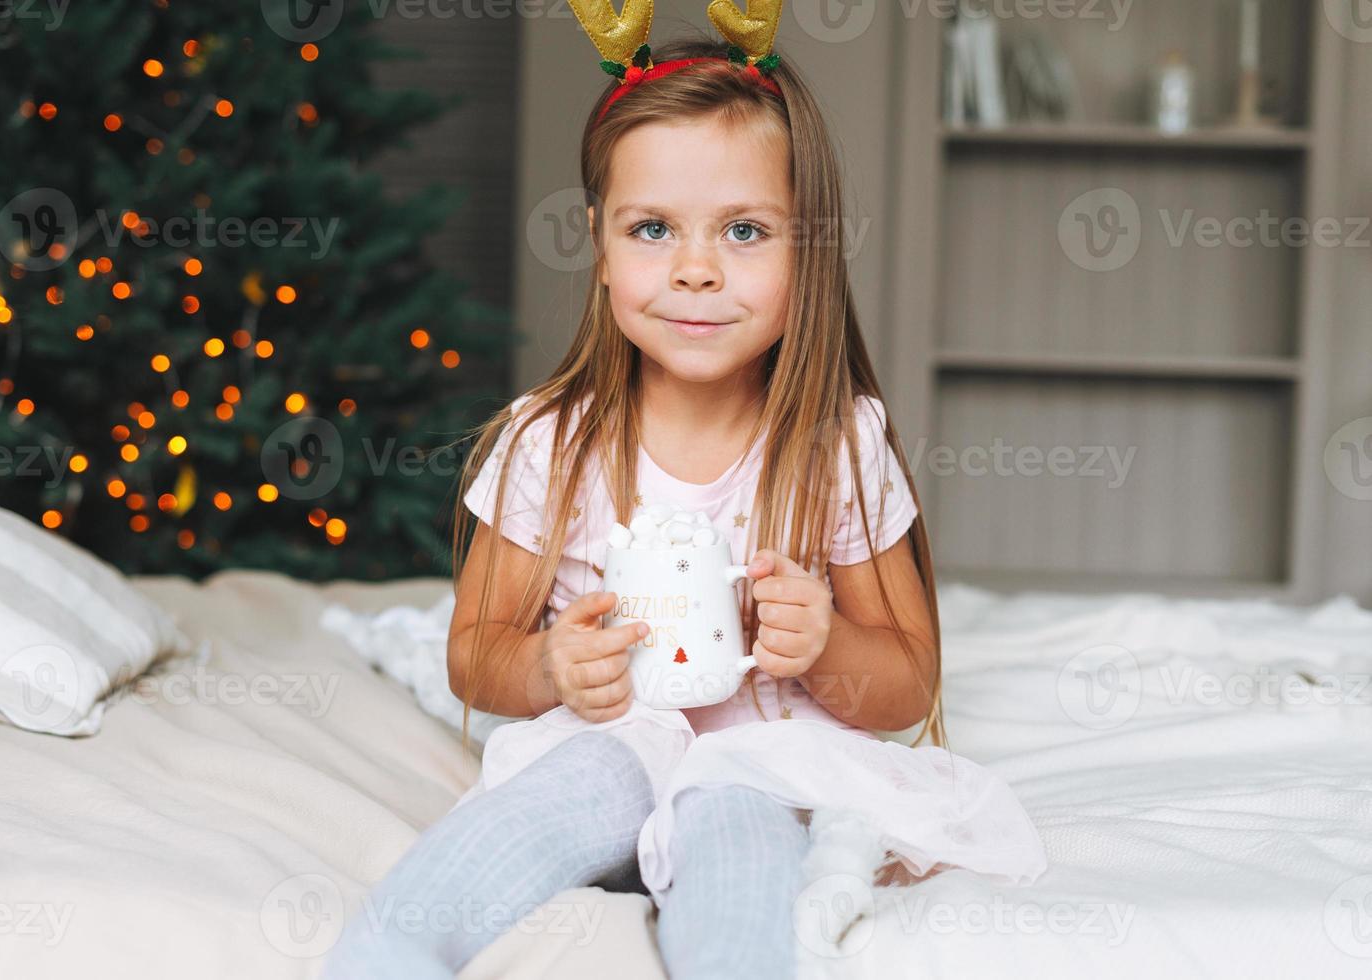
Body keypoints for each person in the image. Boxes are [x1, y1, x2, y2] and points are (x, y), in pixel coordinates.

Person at [324, 9, 1046, 977]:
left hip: (762, 761)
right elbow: (474, 650)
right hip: (607, 742)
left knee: (739, 847)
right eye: (653, 228)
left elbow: (910, 678)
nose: (696, 268)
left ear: (808, 244)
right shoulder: (553, 441)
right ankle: (382, 957)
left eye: (744, 231)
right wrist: (549, 668)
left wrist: (827, 644)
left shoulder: (836, 442)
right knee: (526, 824)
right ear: (599, 239)